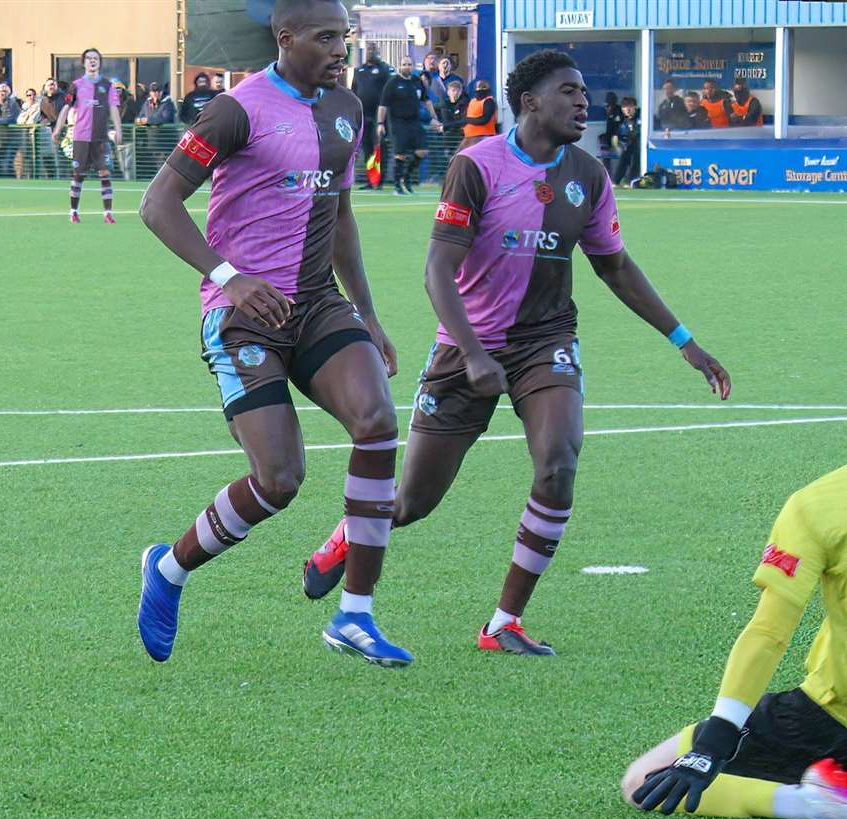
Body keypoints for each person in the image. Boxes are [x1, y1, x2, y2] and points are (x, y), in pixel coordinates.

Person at [302, 49, 732, 655]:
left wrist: (685, 341)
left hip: (545, 343)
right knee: (412, 503)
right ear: (530, 101)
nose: (583, 101)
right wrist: (475, 354)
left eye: (584, 92)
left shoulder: (588, 174)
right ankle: (352, 531)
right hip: (464, 348)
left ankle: (504, 623)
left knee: (558, 464)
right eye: (568, 90)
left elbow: (616, 268)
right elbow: (437, 271)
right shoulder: (476, 166)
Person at [138, 0, 411, 667]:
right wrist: (227, 277)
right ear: (283, 39)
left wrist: (367, 314)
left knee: (376, 423)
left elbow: (340, 214)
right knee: (280, 478)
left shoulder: (344, 108)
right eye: (324, 38)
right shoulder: (237, 109)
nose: (337, 50)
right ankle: (168, 570)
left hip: (317, 303)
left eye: (341, 38)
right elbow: (157, 204)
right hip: (242, 314)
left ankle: (355, 614)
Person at [623, 467, 847, 819]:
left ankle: (813, 803)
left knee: (642, 778)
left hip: (833, 716)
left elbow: (769, 633)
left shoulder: (819, 504)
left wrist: (717, 738)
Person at [52, 48, 122, 224]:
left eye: (95, 58)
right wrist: (58, 128)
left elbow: (114, 109)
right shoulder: (75, 85)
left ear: (99, 62)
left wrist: (119, 130)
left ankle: (107, 213)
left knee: (105, 173)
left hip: (100, 138)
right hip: (80, 137)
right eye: (89, 58)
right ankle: (73, 211)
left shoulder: (108, 86)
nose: (92, 61)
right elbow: (66, 108)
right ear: (83, 62)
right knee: (78, 174)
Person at [377, 56, 435, 195]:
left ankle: (406, 178)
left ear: (413, 66)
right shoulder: (393, 82)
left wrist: (434, 118)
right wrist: (380, 123)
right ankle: (397, 186)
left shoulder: (417, 81)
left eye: (409, 64)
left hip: (414, 121)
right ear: (400, 66)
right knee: (400, 154)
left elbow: (426, 100)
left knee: (422, 151)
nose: (407, 67)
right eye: (404, 64)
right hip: (398, 122)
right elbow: (383, 105)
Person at [349, 45, 392, 190]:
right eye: (368, 50)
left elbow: (387, 92)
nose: (370, 53)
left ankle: (380, 180)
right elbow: (353, 91)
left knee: (379, 148)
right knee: (367, 149)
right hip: (363, 115)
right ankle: (370, 180)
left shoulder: (384, 70)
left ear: (378, 53)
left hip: (378, 116)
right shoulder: (359, 70)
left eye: (373, 51)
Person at [459, 79, 498, 146]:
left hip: (484, 136)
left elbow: (484, 119)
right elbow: (465, 118)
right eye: (478, 91)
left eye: (482, 91)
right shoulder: (472, 101)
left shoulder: (489, 101)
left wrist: (467, 120)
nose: (479, 93)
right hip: (469, 137)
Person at [611, 96, 640, 185]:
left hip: (639, 146)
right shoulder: (621, 121)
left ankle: (632, 179)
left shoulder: (641, 116)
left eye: (630, 106)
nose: (627, 109)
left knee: (634, 155)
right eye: (624, 107)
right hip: (625, 146)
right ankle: (617, 180)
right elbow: (615, 135)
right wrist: (617, 145)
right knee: (624, 155)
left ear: (635, 106)